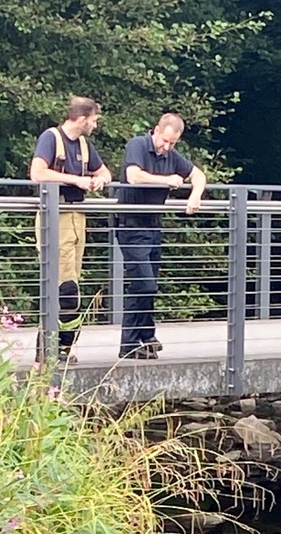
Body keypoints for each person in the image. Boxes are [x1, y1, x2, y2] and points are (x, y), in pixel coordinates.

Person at [115, 113, 206, 359]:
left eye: (172, 144)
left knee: (149, 284)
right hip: (131, 225)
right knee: (144, 283)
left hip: (153, 226)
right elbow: (133, 176)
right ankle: (130, 344)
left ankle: (145, 335)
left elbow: (198, 175)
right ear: (156, 130)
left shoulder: (172, 156)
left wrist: (195, 195)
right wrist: (167, 180)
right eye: (164, 141)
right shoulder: (138, 145)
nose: (166, 147)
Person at [30, 96, 110, 362]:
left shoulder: (85, 146)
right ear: (82, 118)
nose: (95, 126)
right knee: (64, 288)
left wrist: (98, 180)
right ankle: (55, 347)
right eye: (94, 120)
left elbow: (106, 172)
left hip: (78, 217)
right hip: (56, 216)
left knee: (70, 284)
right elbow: (38, 172)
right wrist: (76, 180)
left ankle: (58, 348)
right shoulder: (51, 138)